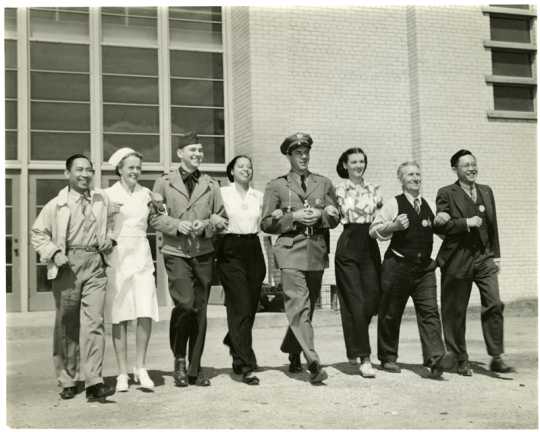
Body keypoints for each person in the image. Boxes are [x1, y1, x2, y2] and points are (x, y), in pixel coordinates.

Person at [31, 154, 116, 402]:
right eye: (79, 170)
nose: (85, 174)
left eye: (89, 170)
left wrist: (109, 239)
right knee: (67, 324)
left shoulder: (102, 199)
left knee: (94, 323)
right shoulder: (55, 204)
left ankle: (94, 381)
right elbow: (38, 233)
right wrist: (54, 253)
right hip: (68, 264)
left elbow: (114, 222)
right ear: (67, 173)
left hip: (95, 264)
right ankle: (68, 379)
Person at [149, 132, 227, 387]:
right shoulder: (164, 183)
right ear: (179, 153)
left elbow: (221, 218)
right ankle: (179, 359)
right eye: (192, 150)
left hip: (203, 253)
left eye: (200, 150)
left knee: (200, 310)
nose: (197, 154)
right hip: (176, 253)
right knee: (185, 305)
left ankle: (194, 368)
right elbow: (155, 218)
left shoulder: (211, 184)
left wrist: (205, 225)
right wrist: (177, 224)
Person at [261, 132, 340, 384]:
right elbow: (265, 223)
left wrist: (322, 215)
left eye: (306, 152)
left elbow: (336, 216)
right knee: (298, 306)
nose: (303, 156)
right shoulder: (277, 185)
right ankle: (313, 361)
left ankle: (293, 350)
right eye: (298, 153)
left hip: (316, 251)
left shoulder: (324, 183)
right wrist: (292, 218)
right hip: (289, 250)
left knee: (306, 308)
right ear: (289, 156)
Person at [369, 161, 455, 378]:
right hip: (397, 266)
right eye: (410, 175)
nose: (416, 178)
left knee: (430, 312)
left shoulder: (425, 204)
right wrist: (394, 226)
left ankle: (436, 360)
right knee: (390, 312)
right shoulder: (393, 204)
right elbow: (374, 230)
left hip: (424, 269)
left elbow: (439, 232)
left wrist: (451, 227)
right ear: (401, 180)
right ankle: (388, 357)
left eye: (418, 174)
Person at [433, 149, 514, 376]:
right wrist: (466, 222)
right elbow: (440, 226)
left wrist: (496, 254)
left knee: (494, 303)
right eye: (466, 165)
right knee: (455, 310)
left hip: (484, 258)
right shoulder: (446, 193)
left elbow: (493, 224)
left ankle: (496, 356)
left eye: (473, 164)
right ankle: (460, 358)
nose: (471, 168)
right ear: (455, 169)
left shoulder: (486, 191)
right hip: (457, 259)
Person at [105, 148, 159, 392]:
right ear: (120, 170)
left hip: (141, 253)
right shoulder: (107, 194)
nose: (135, 172)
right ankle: (122, 372)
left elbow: (159, 217)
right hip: (118, 255)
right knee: (121, 313)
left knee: (144, 311)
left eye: (138, 167)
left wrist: (161, 205)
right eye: (130, 168)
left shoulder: (147, 193)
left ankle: (141, 367)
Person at [217, 155, 266, 385]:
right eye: (241, 166)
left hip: (253, 248)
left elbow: (264, 223)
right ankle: (246, 365)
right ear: (232, 171)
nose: (246, 169)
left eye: (249, 166)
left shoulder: (259, 196)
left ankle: (233, 340)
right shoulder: (222, 194)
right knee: (240, 305)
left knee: (251, 305)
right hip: (230, 248)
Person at [334, 147, 382, 378]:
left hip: (370, 245)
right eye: (354, 162)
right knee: (356, 301)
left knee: (372, 298)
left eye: (362, 161)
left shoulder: (375, 189)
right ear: (345, 165)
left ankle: (354, 345)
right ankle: (365, 357)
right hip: (349, 245)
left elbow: (382, 219)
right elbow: (332, 215)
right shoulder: (339, 189)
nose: (358, 165)